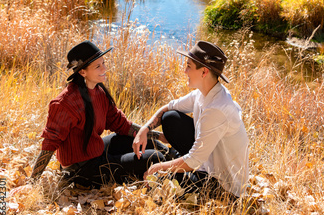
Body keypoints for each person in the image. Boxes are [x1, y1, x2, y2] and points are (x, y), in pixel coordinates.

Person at [30, 40, 166, 189]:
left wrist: (159, 136)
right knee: (155, 157)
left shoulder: (98, 91)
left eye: (103, 63)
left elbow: (120, 124)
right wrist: (32, 183)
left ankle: (181, 161)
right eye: (98, 66)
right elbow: (50, 144)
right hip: (82, 170)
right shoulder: (65, 103)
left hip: (96, 150)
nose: (104, 68)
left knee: (153, 144)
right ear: (82, 72)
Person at [133, 41, 249, 202]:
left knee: (158, 180)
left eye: (189, 66)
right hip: (206, 161)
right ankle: (179, 163)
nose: (184, 70)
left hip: (223, 186)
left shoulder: (217, 109)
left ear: (204, 72)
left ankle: (181, 171)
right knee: (170, 117)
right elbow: (168, 107)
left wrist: (160, 167)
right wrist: (144, 129)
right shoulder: (202, 93)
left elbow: (194, 160)